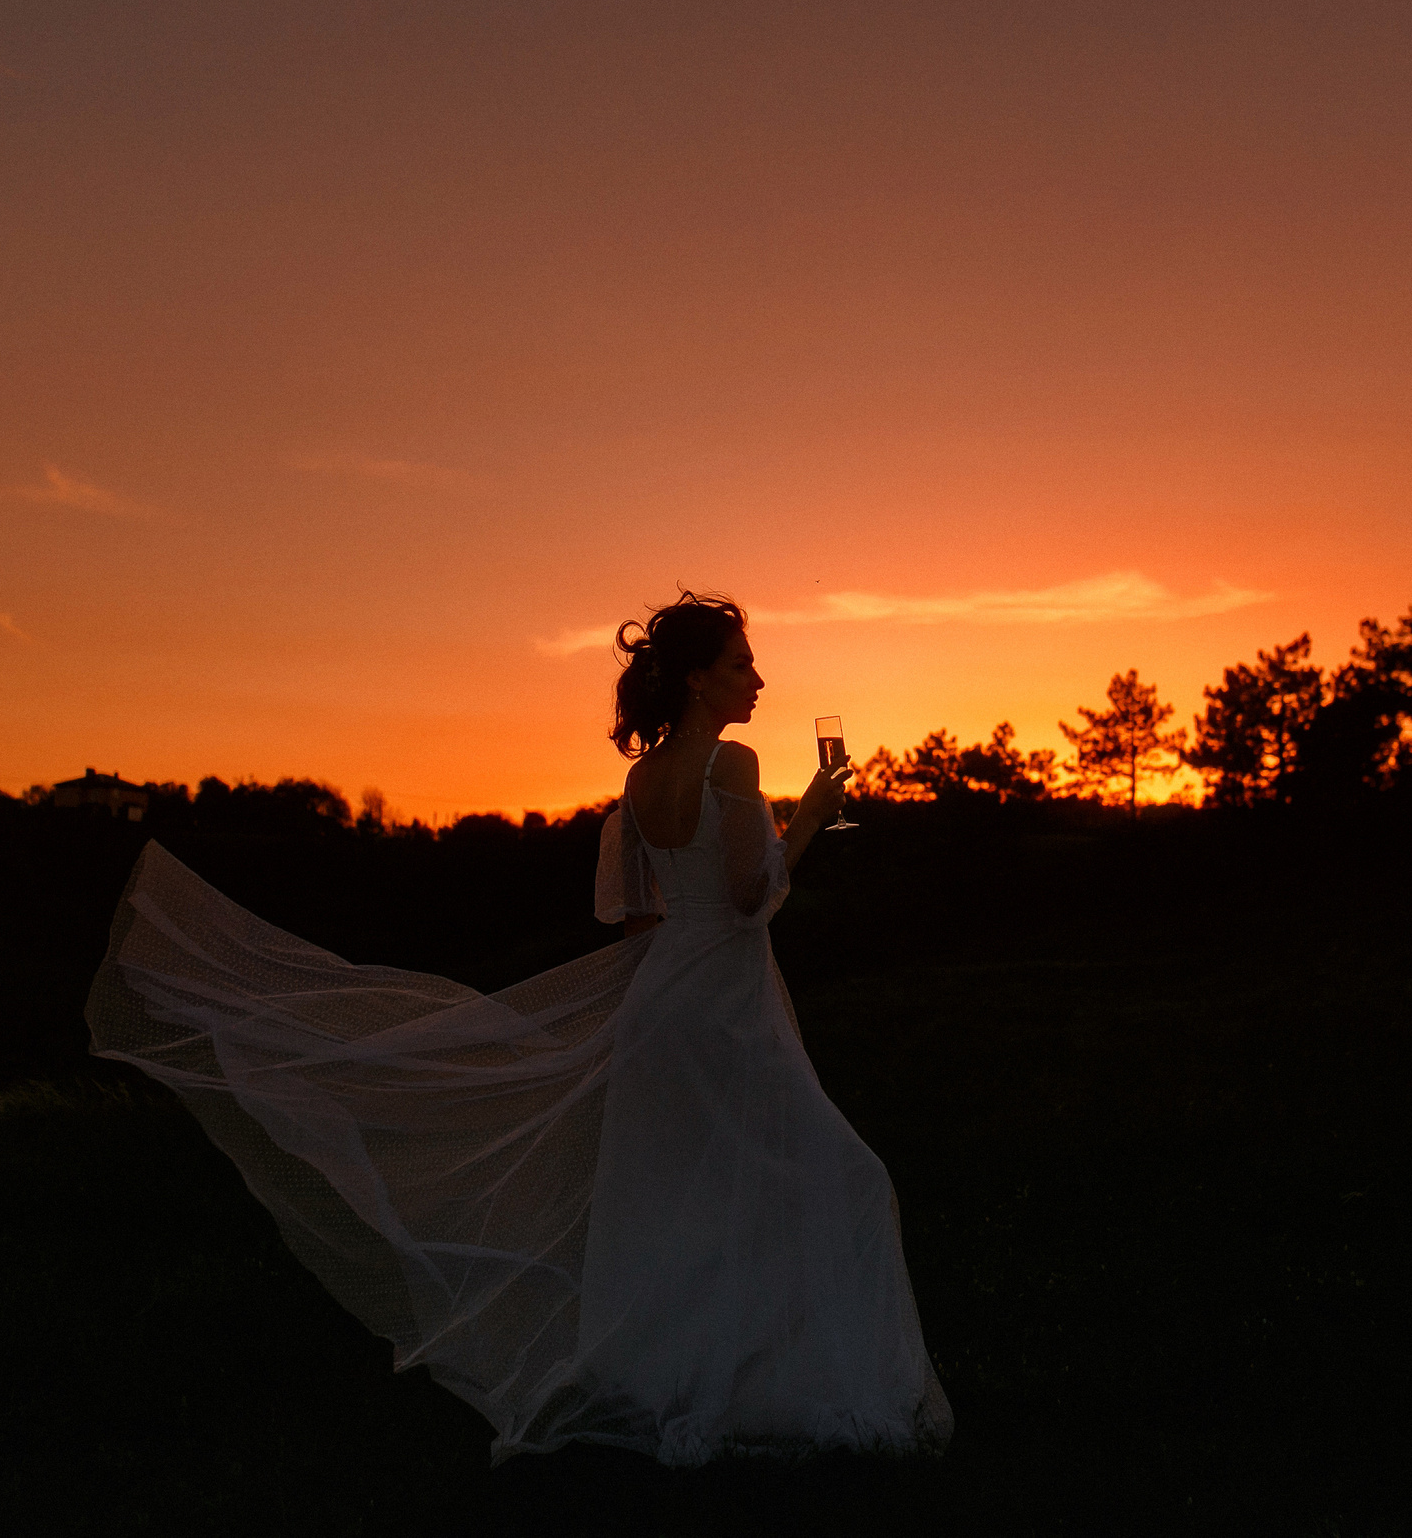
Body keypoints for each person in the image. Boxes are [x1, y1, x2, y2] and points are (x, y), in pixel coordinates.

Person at [87, 591, 952, 1464]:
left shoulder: (639, 780)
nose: (758, 678)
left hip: (668, 1001)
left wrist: (646, 1008)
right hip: (725, 1004)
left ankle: (691, 1381)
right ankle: (809, 1390)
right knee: (844, 1179)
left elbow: (639, 921)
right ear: (696, 679)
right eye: (739, 663)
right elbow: (746, 899)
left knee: (686, 1197)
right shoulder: (734, 765)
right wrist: (808, 814)